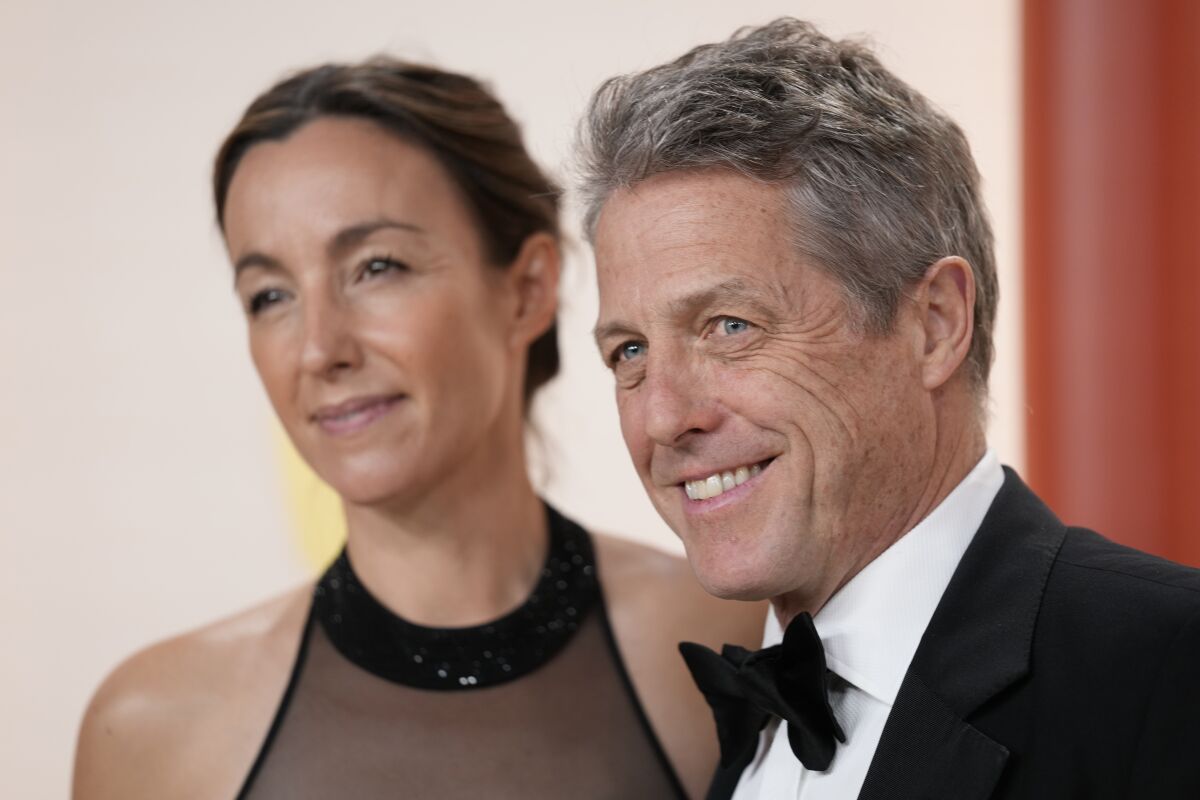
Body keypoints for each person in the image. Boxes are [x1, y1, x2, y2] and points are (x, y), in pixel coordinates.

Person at [72, 58, 763, 800]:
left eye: (377, 267)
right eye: (270, 295)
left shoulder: (726, 644)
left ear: (527, 288)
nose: (318, 349)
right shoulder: (153, 729)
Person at [577, 18, 1200, 800]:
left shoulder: (1173, 668)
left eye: (730, 326)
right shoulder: (723, 730)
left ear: (934, 323)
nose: (664, 418)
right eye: (629, 352)